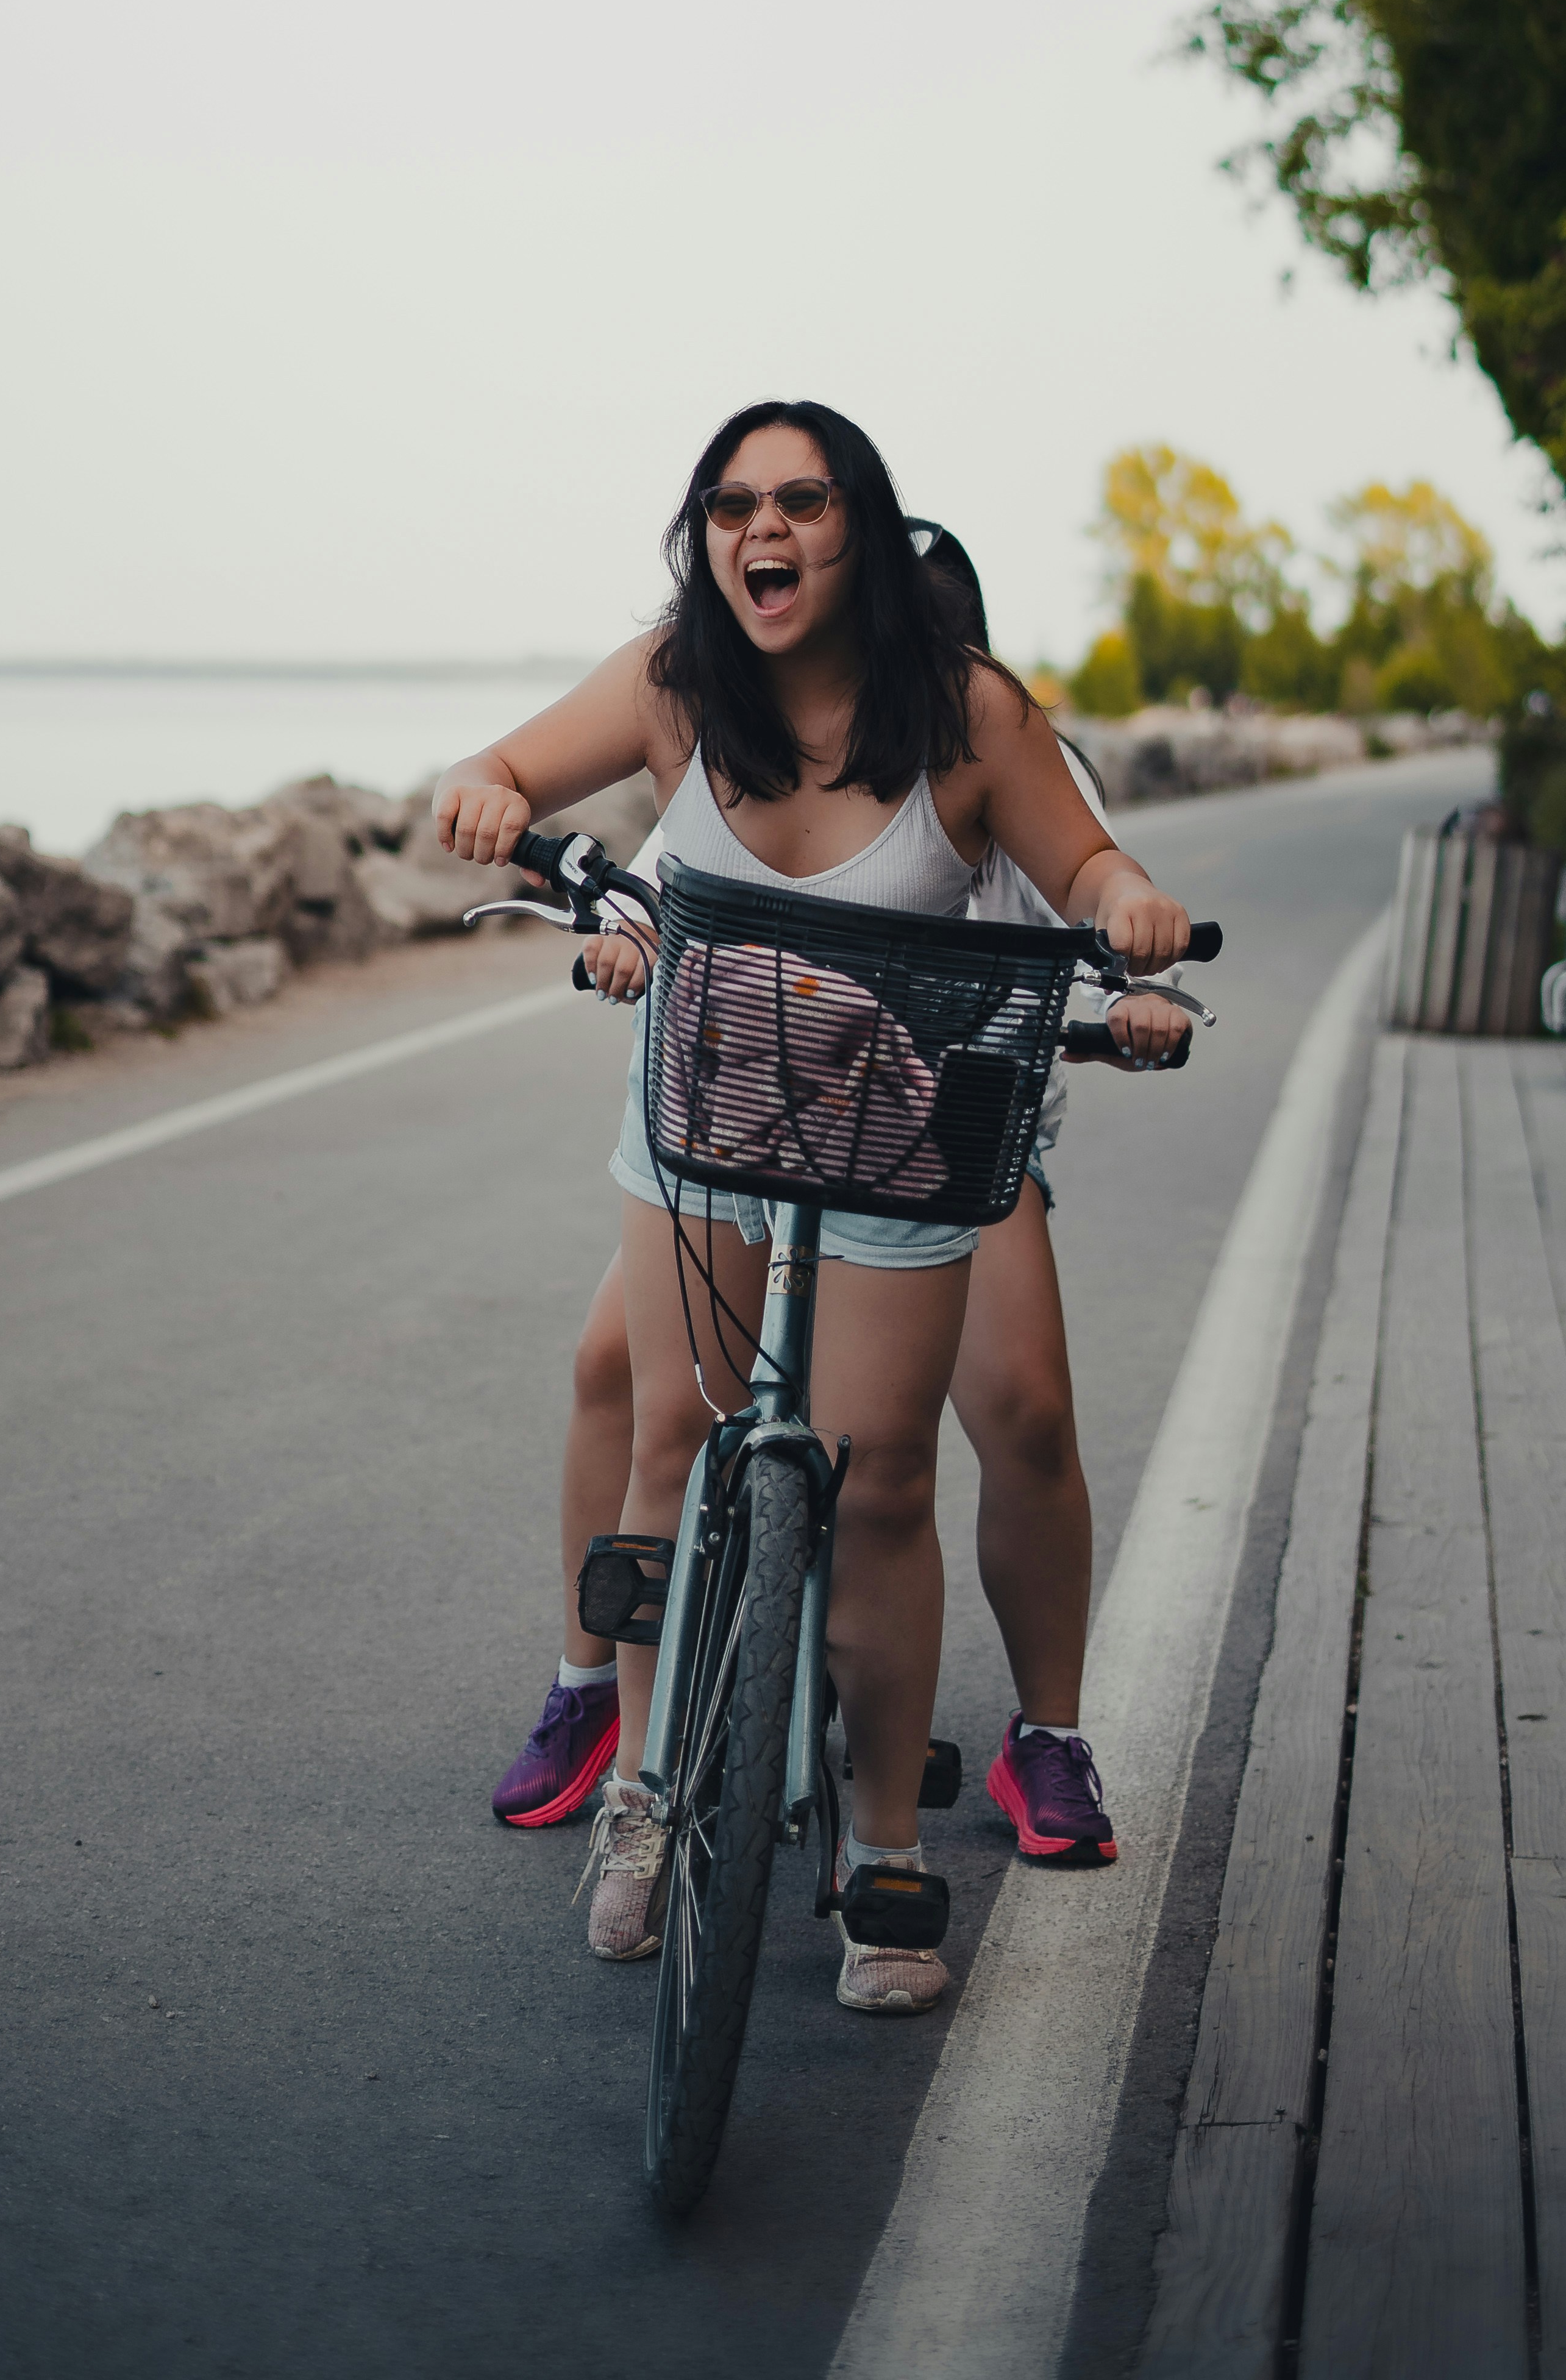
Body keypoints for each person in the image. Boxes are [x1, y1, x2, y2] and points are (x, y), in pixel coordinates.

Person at [433, 403, 1194, 2016]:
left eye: (799, 502)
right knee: (661, 1440)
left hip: (902, 1151)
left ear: (860, 527)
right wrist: (488, 793)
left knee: (886, 1490)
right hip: (704, 1123)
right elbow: (499, 764)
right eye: (729, 507)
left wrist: (1133, 915)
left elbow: (1097, 872)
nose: (760, 533)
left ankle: (878, 1847)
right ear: (704, 537)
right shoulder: (670, 683)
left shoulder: (971, 711)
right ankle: (642, 1785)